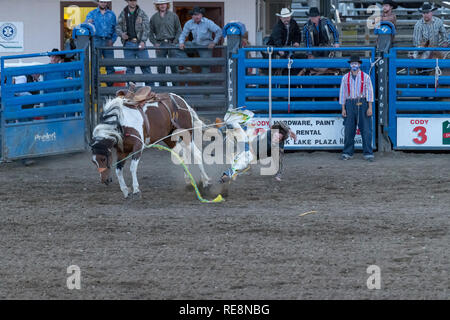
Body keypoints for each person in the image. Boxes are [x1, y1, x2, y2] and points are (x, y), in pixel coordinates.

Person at [216, 110, 296, 183]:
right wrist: (289, 130)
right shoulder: (270, 132)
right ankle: (219, 131)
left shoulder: (278, 147)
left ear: (281, 140)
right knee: (235, 125)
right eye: (277, 135)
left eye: (279, 138)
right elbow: (280, 123)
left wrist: (279, 175)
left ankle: (225, 176)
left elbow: (280, 161)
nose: (276, 138)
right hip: (246, 141)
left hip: (250, 154)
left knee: (241, 163)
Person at [339, 55, 374, 162]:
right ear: (350, 65)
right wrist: (343, 108)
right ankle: (347, 152)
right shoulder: (345, 78)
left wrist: (370, 107)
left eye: (356, 64)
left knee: (366, 130)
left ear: (359, 65)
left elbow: (369, 93)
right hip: (350, 103)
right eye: (352, 63)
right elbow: (343, 93)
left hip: (362, 102)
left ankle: (368, 153)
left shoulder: (366, 77)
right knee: (349, 129)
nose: (354, 65)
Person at [116, 0, 153, 86]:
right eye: (131, 1)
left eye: (134, 1)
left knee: (146, 67)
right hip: (128, 44)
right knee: (129, 69)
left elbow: (147, 28)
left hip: (140, 43)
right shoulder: (123, 13)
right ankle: (131, 91)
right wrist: (121, 34)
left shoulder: (142, 13)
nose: (133, 3)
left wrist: (143, 41)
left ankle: (150, 91)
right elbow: (117, 26)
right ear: (128, 1)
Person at [178, 6, 222, 75]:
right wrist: (181, 42)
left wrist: (214, 42)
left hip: (205, 46)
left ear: (201, 15)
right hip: (194, 44)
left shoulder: (208, 22)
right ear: (192, 16)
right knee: (177, 48)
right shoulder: (189, 23)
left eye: (198, 14)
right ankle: (187, 66)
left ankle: (205, 84)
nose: (197, 16)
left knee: (205, 67)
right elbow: (183, 34)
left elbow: (219, 31)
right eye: (194, 15)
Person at [149, 0, 183, 86]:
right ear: (157, 6)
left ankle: (176, 90)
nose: (162, 5)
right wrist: (154, 43)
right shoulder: (154, 17)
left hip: (172, 43)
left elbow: (179, 30)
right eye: (160, 4)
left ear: (167, 4)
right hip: (160, 44)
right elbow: (150, 32)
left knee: (174, 67)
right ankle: (163, 90)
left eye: (164, 3)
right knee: (161, 68)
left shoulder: (173, 16)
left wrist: (175, 41)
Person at [85, 0, 117, 85]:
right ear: (98, 2)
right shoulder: (91, 14)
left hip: (108, 41)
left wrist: (113, 40)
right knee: (95, 65)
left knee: (109, 65)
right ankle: (96, 90)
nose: (103, 3)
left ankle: (109, 90)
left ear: (107, 3)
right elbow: (86, 27)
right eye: (101, 1)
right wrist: (88, 23)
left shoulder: (112, 14)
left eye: (105, 2)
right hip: (96, 40)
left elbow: (115, 29)